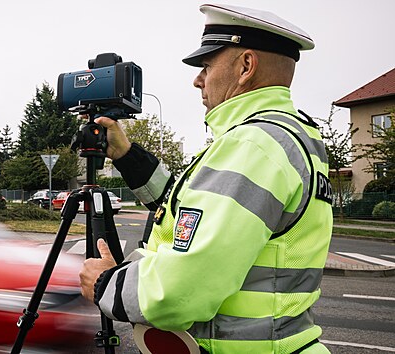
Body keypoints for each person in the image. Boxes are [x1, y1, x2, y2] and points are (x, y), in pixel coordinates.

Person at [79, 4, 333, 354]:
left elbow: (183, 289)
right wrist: (127, 156)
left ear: (245, 66)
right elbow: (188, 212)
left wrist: (106, 283)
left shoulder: (253, 146)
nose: (198, 79)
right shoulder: (288, 136)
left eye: (207, 65)